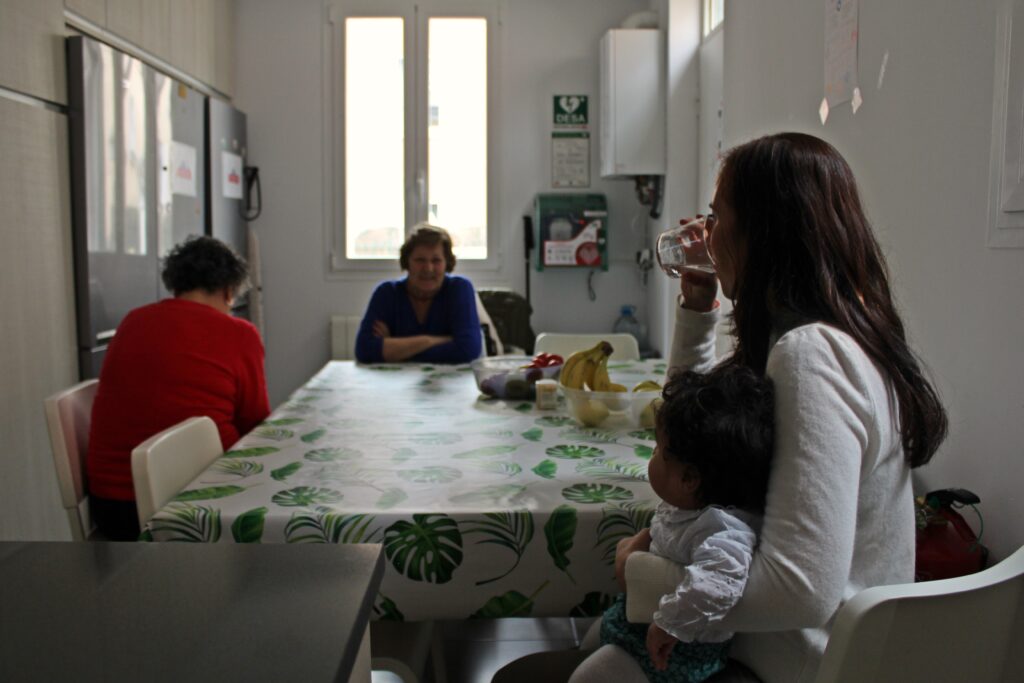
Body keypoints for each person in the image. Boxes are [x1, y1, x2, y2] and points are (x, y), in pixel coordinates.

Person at [569, 132, 949, 683]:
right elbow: (694, 436)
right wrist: (698, 310)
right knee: (597, 641)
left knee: (594, 671)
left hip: (801, 661)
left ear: (763, 235)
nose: (707, 234)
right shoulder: (841, 332)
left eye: (718, 217)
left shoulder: (811, 355)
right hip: (812, 646)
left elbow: (801, 591)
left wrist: (645, 575)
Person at [87, 235, 270, 540]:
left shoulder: (132, 321)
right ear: (228, 291)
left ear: (176, 285)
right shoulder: (239, 334)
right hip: (193, 507)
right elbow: (256, 425)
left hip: (111, 509)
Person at [599, 364, 775, 683]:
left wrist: (671, 624)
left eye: (657, 450)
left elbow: (720, 582)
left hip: (673, 650)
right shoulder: (689, 506)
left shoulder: (721, 529)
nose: (651, 457)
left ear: (689, 478)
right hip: (644, 624)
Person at [354, 223, 482, 363]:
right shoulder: (386, 293)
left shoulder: (459, 289)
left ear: (447, 263)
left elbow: (468, 351)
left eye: (436, 260)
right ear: (407, 262)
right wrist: (435, 340)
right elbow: (364, 350)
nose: (428, 268)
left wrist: (393, 347)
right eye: (420, 260)